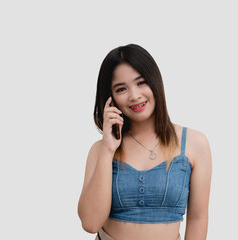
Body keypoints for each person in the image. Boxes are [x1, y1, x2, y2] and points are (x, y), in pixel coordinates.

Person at [77, 44, 212, 240]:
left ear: (155, 82)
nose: (134, 95)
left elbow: (198, 218)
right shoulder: (100, 150)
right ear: (111, 98)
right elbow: (90, 224)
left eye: (141, 83)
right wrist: (108, 151)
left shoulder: (194, 143)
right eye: (121, 89)